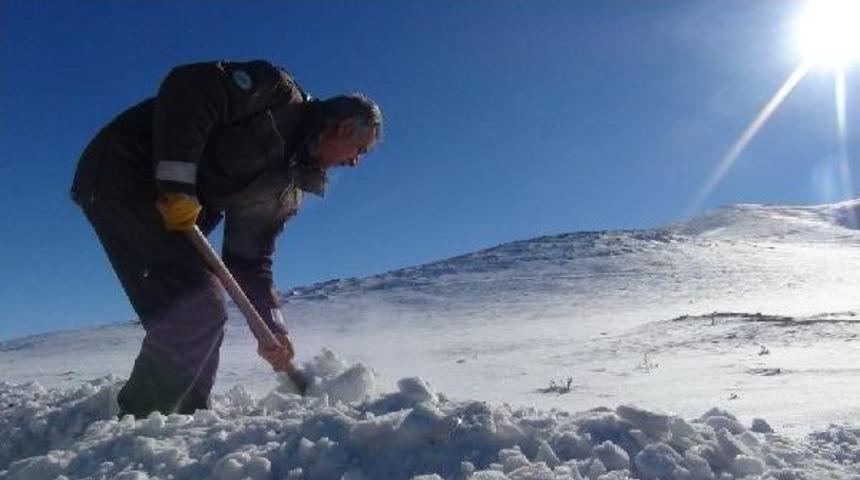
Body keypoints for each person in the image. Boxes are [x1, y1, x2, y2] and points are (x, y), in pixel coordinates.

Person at [70, 60, 382, 418]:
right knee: (199, 310)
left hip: (173, 216)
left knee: (199, 316)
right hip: (123, 172)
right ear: (344, 128)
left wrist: (272, 326)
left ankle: (184, 419)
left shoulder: (285, 190)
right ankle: (138, 428)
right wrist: (176, 183)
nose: (356, 163)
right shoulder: (275, 95)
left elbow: (249, 261)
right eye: (361, 150)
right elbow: (188, 89)